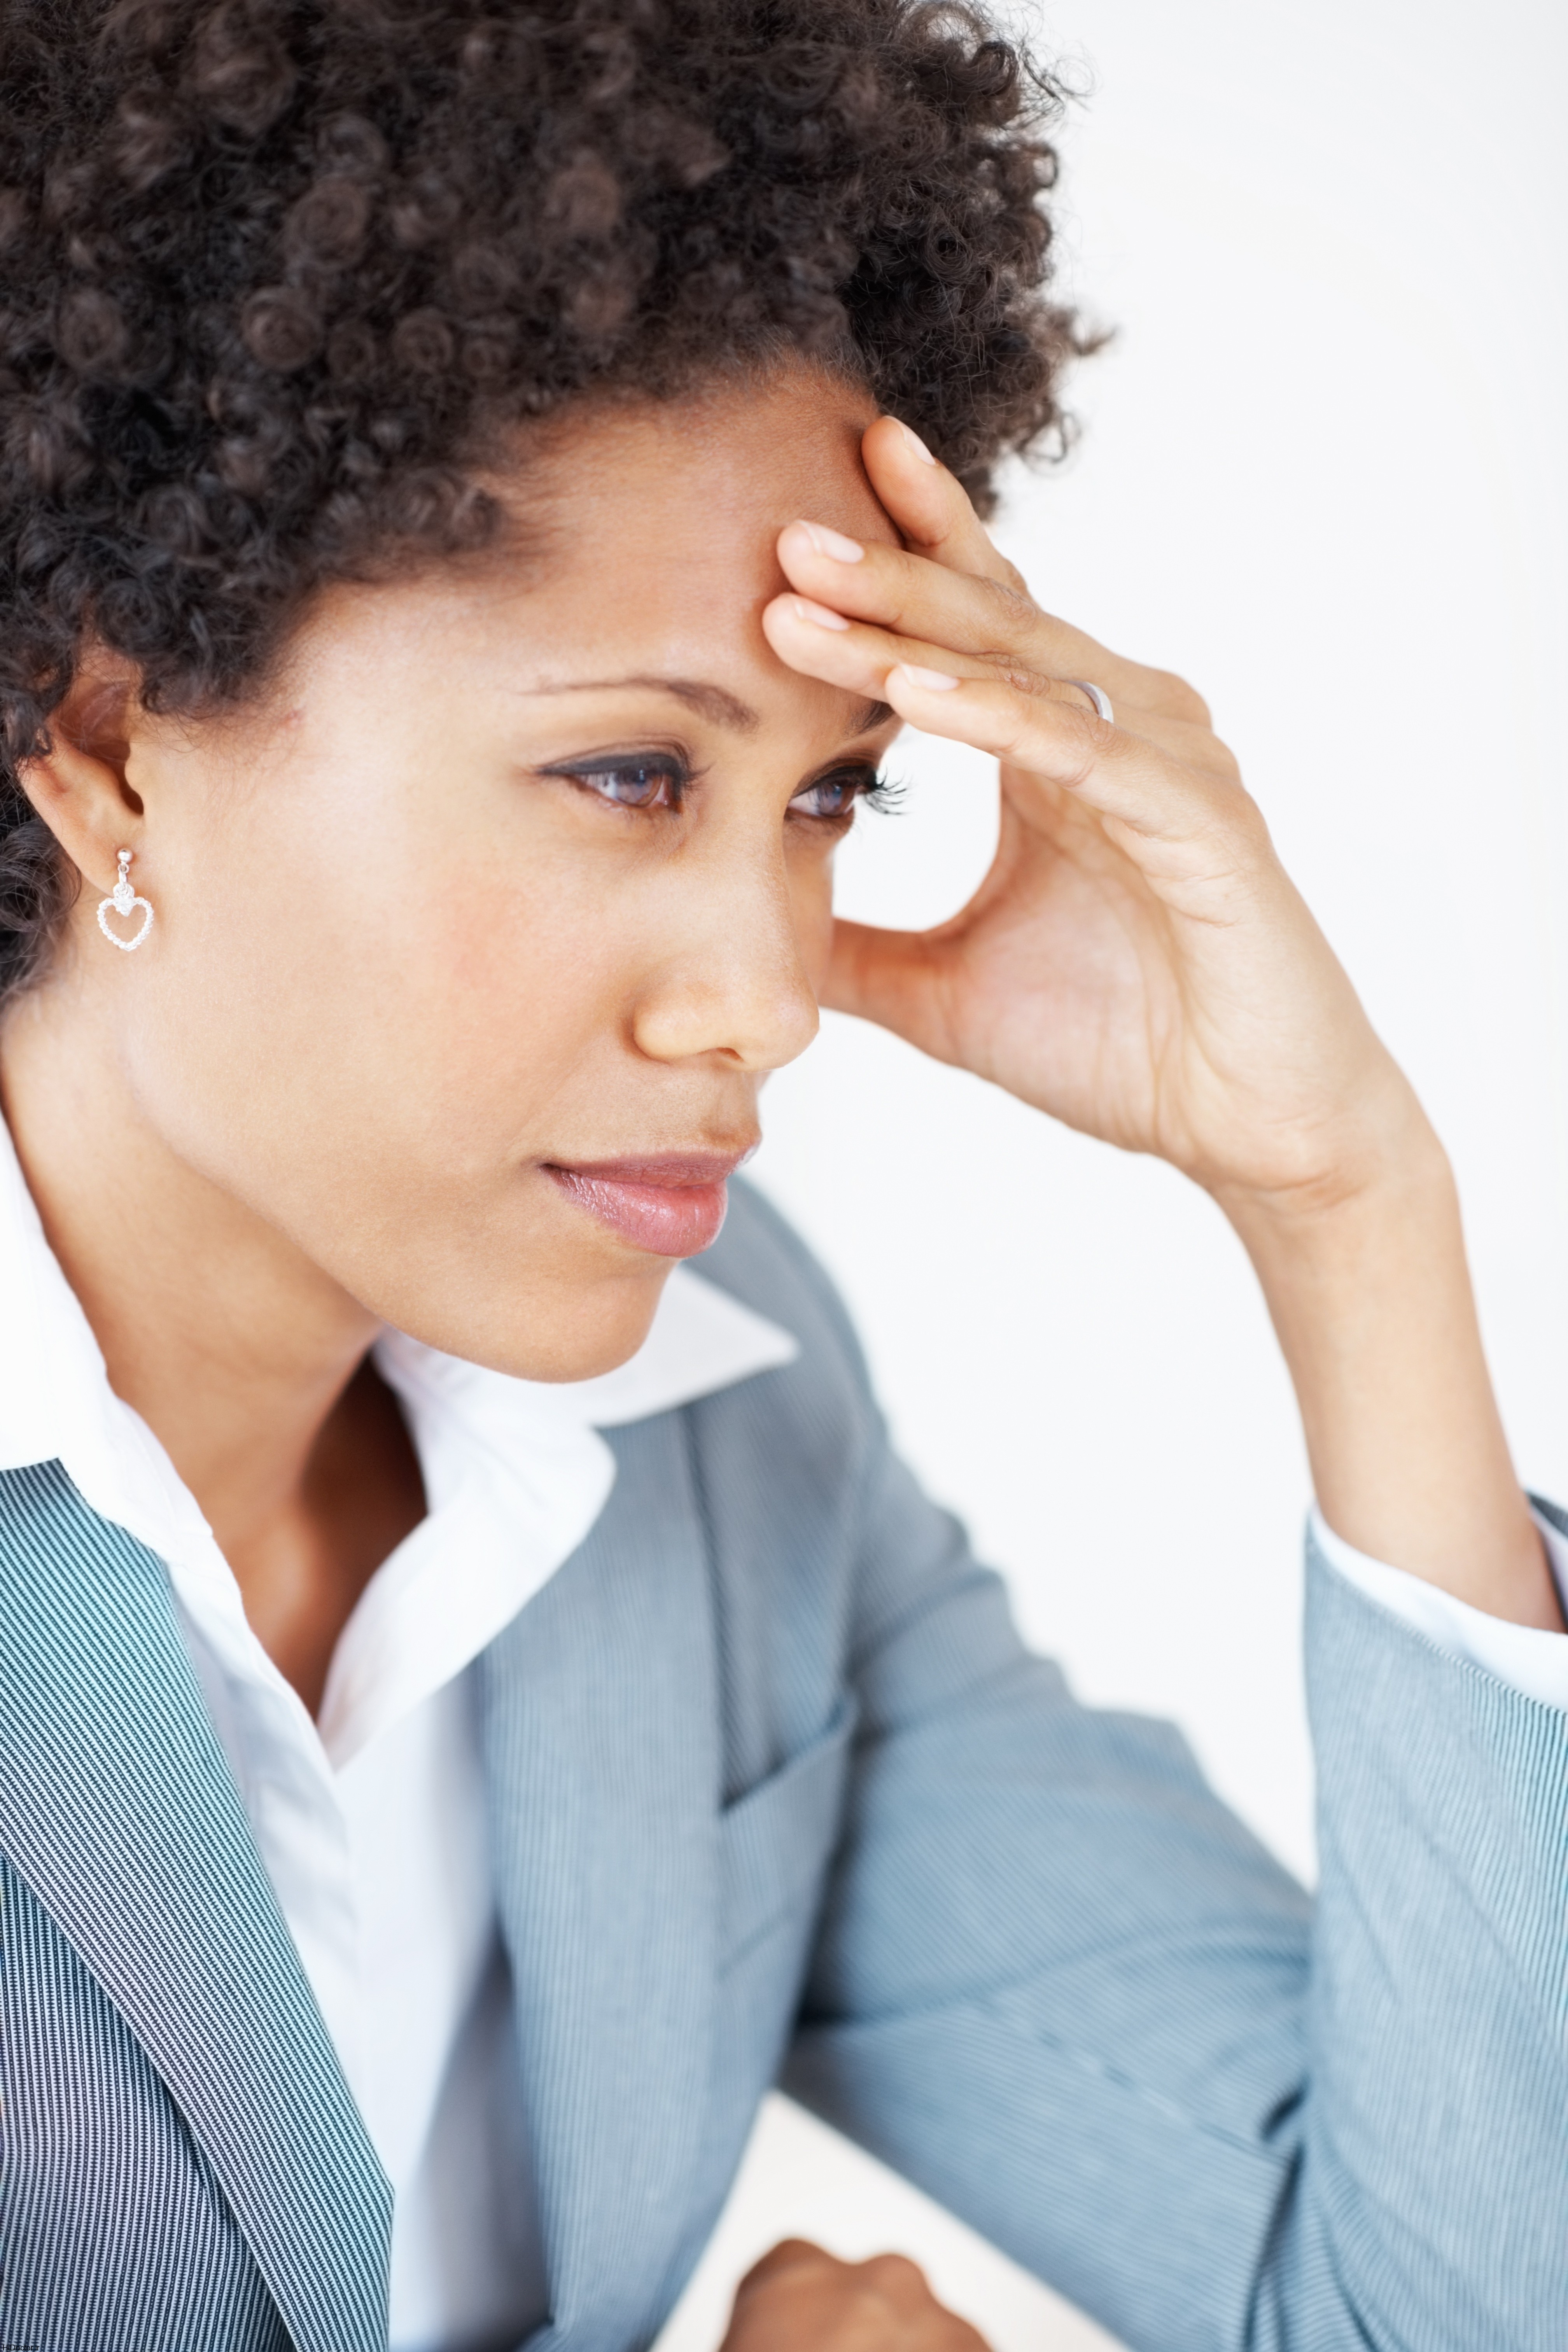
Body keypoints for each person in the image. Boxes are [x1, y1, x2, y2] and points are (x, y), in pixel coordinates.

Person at [0, 3, 1563, 2349]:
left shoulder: (732, 1425)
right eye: (632, 775)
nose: (769, 997)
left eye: (834, 795)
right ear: (116, 745)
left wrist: (1350, 1205)